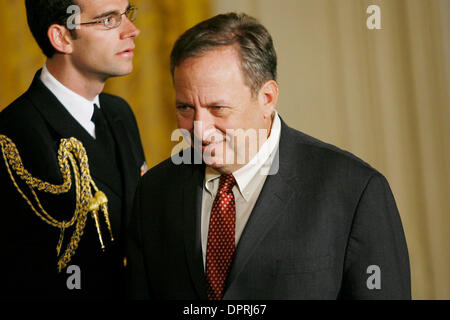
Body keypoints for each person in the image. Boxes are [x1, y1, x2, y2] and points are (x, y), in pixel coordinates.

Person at [126, 13, 411, 300]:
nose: (199, 130)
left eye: (218, 108)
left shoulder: (354, 191)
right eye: (185, 108)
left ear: (267, 99)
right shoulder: (154, 192)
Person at [0, 0, 145, 299]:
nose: (132, 30)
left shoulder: (119, 113)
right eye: (108, 20)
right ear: (62, 37)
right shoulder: (13, 133)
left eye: (126, 13)